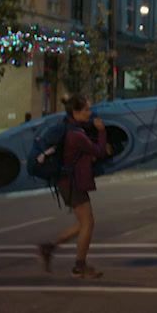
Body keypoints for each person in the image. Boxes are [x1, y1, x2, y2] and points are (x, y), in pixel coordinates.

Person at [37, 95, 109, 279]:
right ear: (76, 112)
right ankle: (79, 266)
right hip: (73, 183)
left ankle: (50, 247)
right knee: (88, 223)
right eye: (86, 109)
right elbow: (99, 151)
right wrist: (101, 132)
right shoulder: (76, 135)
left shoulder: (70, 128)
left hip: (69, 182)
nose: (90, 113)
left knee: (83, 223)